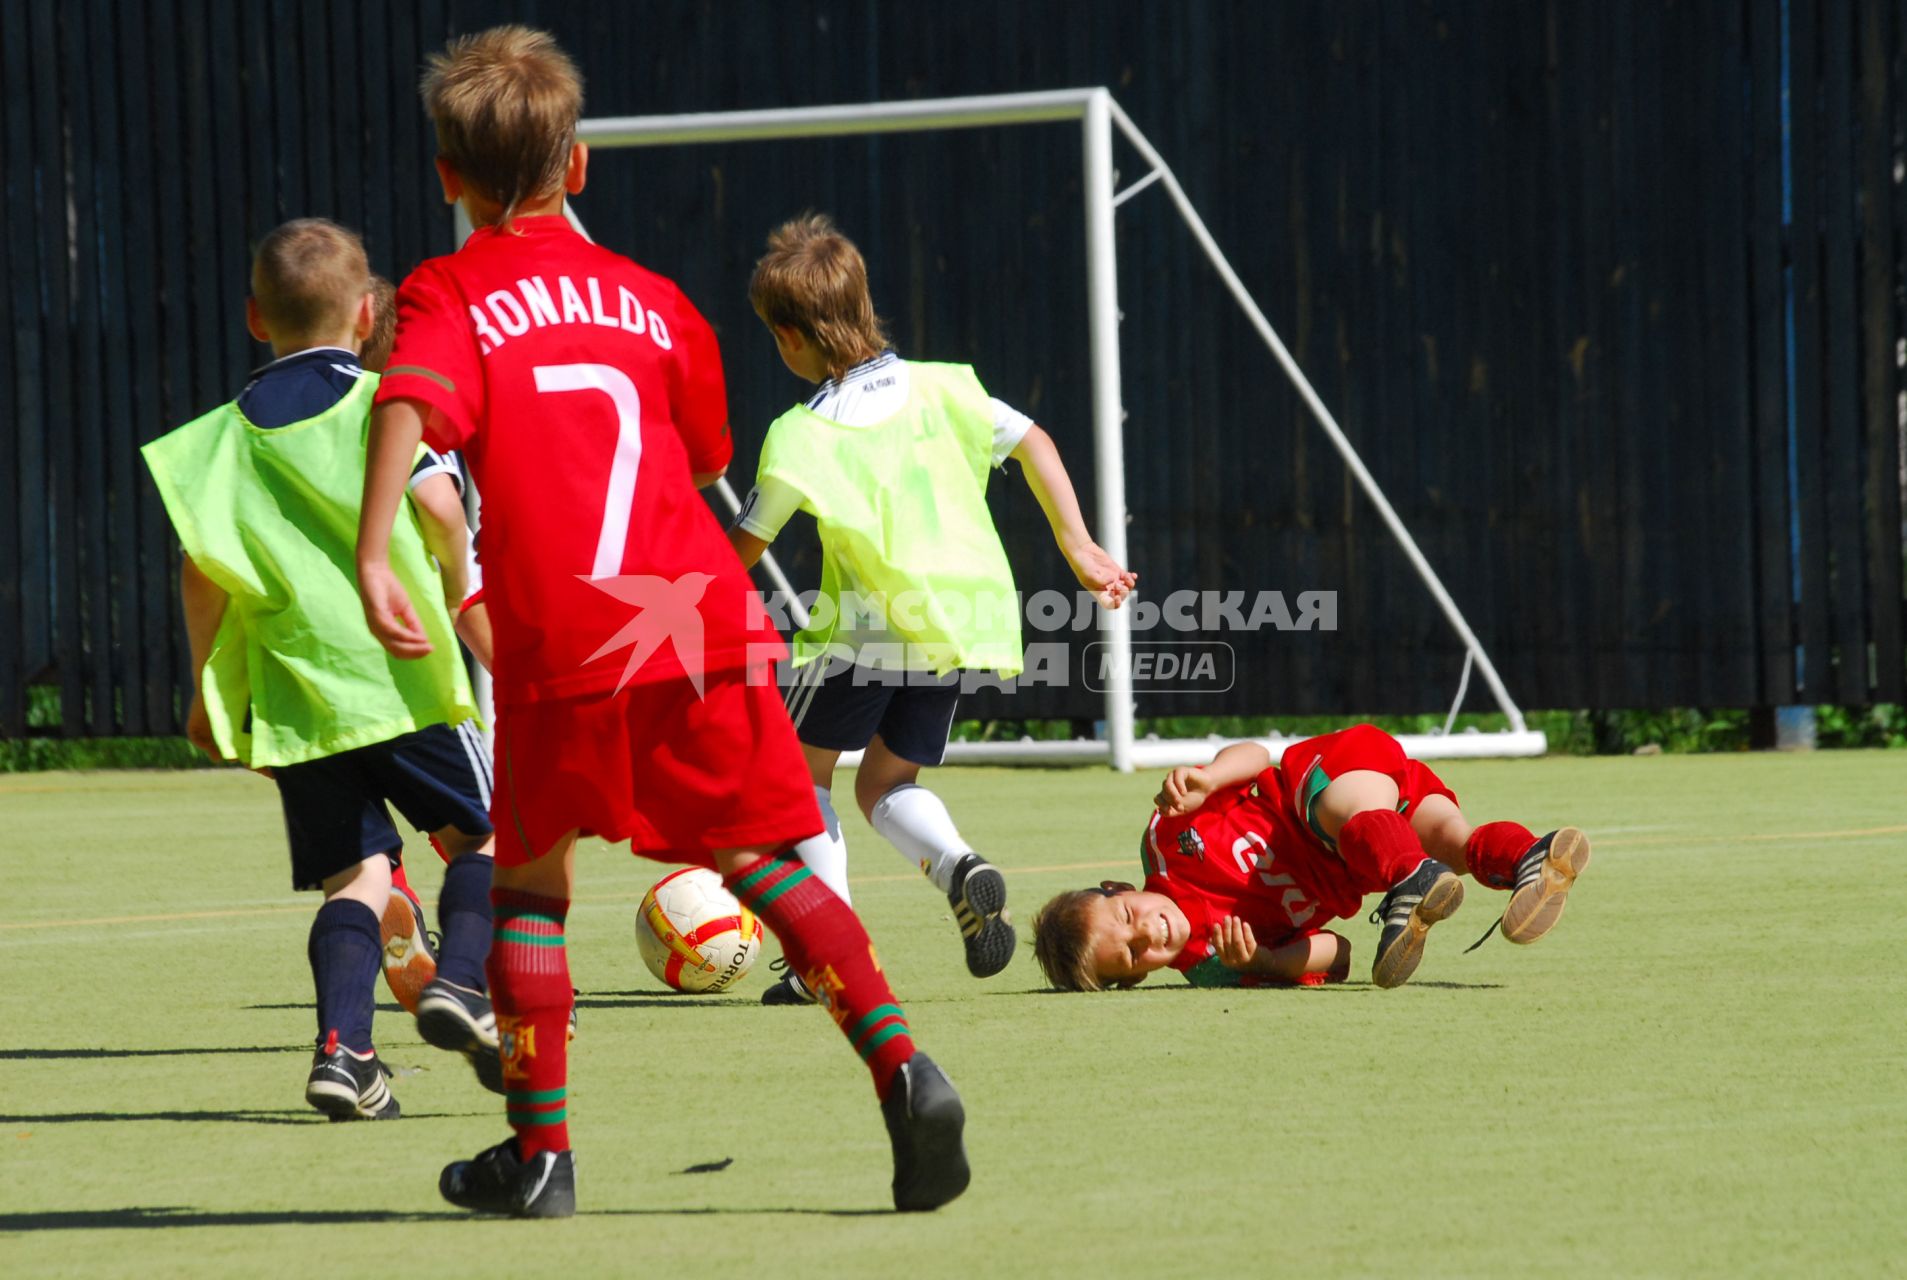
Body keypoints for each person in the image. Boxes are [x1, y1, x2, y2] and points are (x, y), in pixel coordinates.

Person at [356, 25, 969, 1218]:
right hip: (697, 617)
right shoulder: (656, 301)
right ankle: (903, 1067)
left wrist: (378, 547)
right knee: (763, 859)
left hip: (562, 637)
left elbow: (410, 402)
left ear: (447, 178)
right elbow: (705, 452)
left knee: (530, 882)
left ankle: (540, 1155)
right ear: (577, 164)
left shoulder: (451, 290)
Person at [141, 219, 501, 1119]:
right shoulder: (389, 405)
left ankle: (345, 1052)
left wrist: (203, 688)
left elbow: (200, 573)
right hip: (405, 676)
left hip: (300, 698)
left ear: (257, 318)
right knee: (491, 837)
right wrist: (463, 599)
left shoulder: (216, 443)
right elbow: (440, 508)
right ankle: (461, 983)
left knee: (359, 878)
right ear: (368, 311)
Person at [729, 214, 1137, 1003]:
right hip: (956, 621)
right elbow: (1034, 441)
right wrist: (1079, 546)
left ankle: (828, 958)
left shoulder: (800, 432)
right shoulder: (948, 383)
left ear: (787, 339)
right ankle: (959, 865)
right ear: (864, 302)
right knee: (885, 783)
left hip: (864, 631)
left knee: (794, 775)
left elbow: (744, 545)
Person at [1031, 724, 1591, 992]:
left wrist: (1209, 779)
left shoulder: (1167, 839)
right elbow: (1340, 955)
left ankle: (1411, 881)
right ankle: (1531, 859)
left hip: (1325, 781)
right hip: (1372, 845)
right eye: (1133, 957)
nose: (1150, 935)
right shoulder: (1211, 965)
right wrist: (1266, 964)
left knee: (1344, 814)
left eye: (1129, 918)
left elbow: (1256, 755)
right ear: (1137, 980)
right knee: (1456, 843)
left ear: (1119, 887)